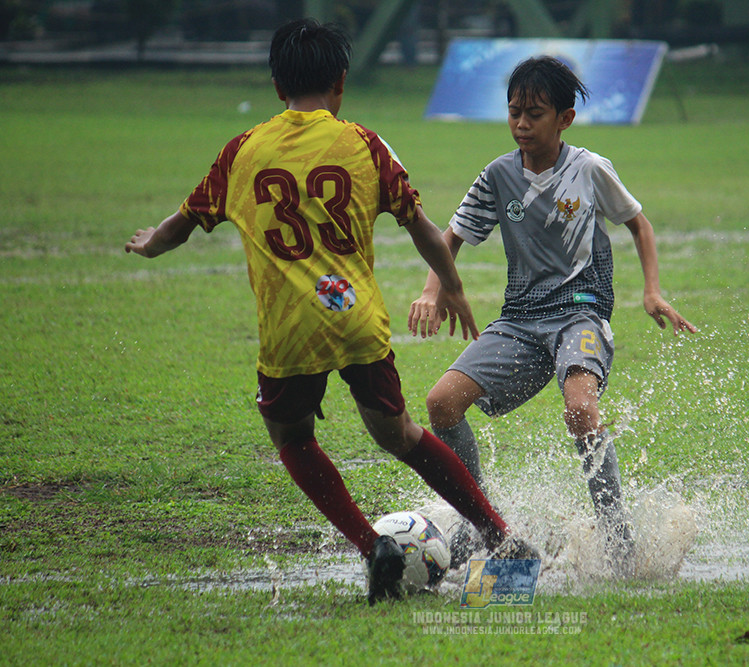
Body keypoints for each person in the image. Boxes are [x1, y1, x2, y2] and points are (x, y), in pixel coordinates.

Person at [124, 18, 535, 605]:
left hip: (289, 328)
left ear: (274, 85)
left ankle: (373, 547)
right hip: (354, 319)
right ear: (341, 82)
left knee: (292, 438)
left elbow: (182, 224)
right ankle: (500, 532)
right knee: (400, 433)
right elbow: (420, 225)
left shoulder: (242, 151)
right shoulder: (362, 143)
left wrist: (151, 244)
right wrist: (452, 285)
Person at [408, 55, 697, 575]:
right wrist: (433, 290)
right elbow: (447, 237)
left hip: (579, 316)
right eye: (514, 111)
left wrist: (652, 292)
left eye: (534, 113)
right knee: (440, 404)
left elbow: (640, 224)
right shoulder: (497, 176)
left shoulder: (589, 169)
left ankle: (617, 539)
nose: (521, 123)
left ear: (564, 118)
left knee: (580, 409)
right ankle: (483, 524)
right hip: (520, 321)